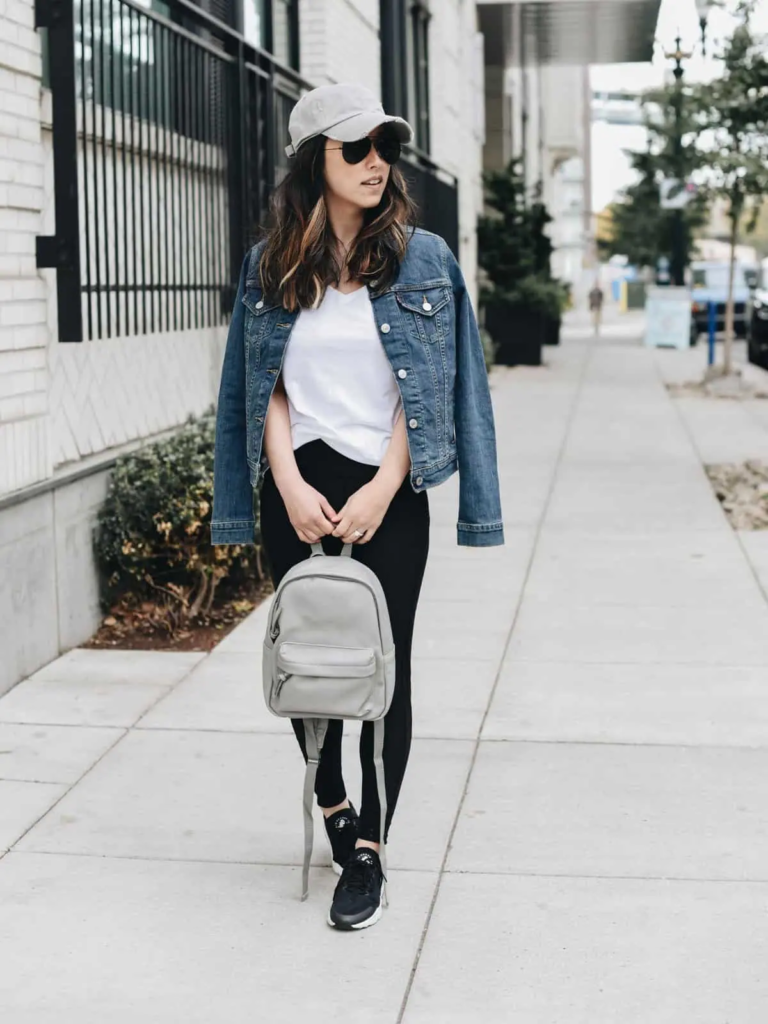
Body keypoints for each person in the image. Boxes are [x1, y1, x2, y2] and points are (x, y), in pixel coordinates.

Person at [211, 83, 504, 931]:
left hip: (387, 491)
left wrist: (384, 487)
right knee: (308, 661)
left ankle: (369, 853)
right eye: (357, 148)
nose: (377, 162)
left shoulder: (426, 260)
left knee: (382, 669)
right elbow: (254, 387)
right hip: (297, 488)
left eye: (385, 148)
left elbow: (441, 390)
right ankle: (334, 807)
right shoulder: (270, 264)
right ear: (316, 162)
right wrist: (290, 487)